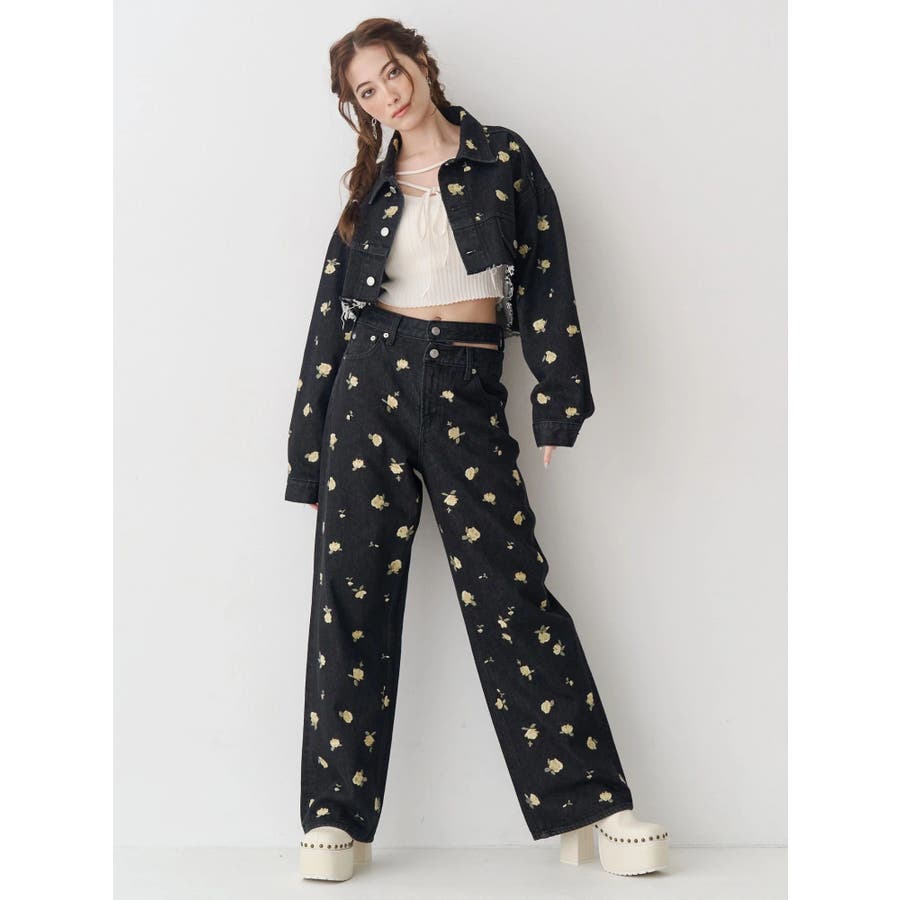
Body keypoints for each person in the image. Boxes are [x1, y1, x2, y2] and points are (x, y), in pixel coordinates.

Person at [285, 18, 669, 883]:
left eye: (392, 73)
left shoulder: (503, 159)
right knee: (350, 598)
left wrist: (558, 399)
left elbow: (548, 278)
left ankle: (595, 804)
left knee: (512, 593)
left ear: (422, 63)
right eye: (367, 91)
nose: (388, 95)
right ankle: (334, 816)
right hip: (368, 383)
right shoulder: (371, 190)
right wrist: (307, 450)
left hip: (465, 378)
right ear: (359, 108)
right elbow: (329, 317)